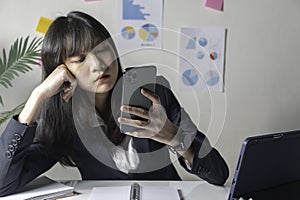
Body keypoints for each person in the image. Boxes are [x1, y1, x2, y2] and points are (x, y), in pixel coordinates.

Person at [0, 11, 229, 196]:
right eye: (81, 59)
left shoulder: (154, 93)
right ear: (62, 70)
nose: (99, 64)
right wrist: (37, 96)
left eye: (103, 50)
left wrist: (172, 135)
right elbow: (4, 183)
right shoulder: (64, 119)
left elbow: (219, 174)